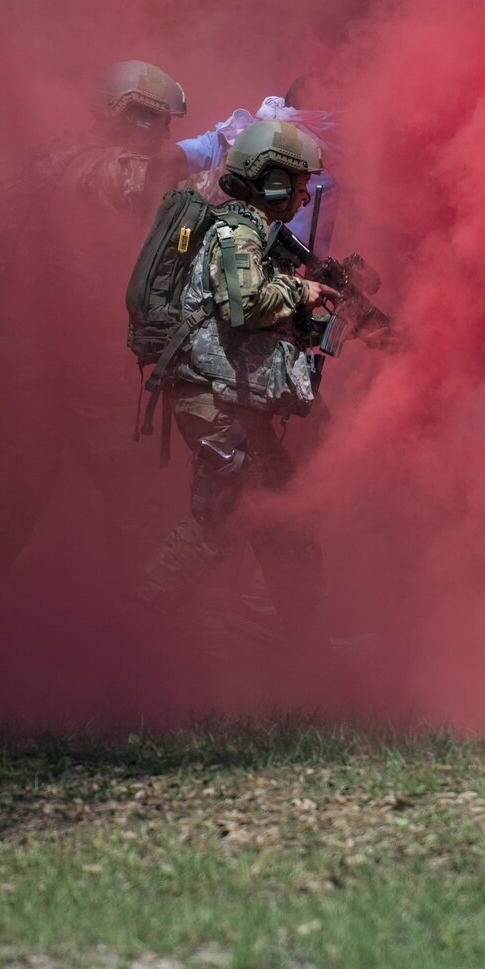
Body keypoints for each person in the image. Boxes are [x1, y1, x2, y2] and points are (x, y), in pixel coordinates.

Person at [0, 60, 189, 614]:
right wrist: (226, 167)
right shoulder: (90, 167)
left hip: (35, 362)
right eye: (148, 118)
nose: (161, 133)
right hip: (58, 368)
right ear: (116, 115)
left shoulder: (51, 161)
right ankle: (157, 647)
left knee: (16, 501)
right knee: (134, 497)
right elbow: (135, 178)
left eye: (164, 123)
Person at [136, 118, 339, 650]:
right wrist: (303, 293)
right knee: (215, 526)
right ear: (267, 178)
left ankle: (311, 644)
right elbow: (243, 304)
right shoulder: (236, 231)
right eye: (294, 184)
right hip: (215, 401)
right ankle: (130, 634)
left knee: (283, 516)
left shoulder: (249, 231)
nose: (300, 196)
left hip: (230, 400)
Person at [171, 74, 344, 251]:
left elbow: (167, 161)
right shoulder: (322, 184)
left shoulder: (238, 135)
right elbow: (287, 260)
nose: (304, 195)